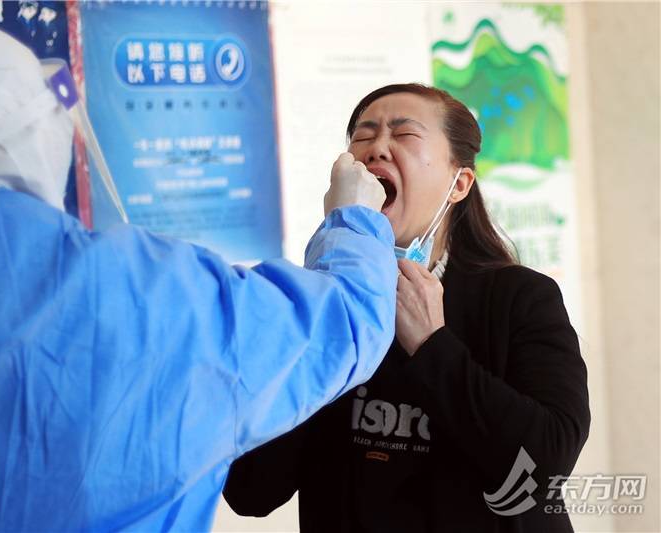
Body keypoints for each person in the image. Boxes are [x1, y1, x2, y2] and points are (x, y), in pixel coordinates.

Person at [0, 21, 398, 532]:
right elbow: (343, 324)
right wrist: (353, 221)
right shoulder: (152, 289)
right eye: (368, 131)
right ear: (38, 133)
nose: (377, 147)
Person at [223, 84, 591, 533]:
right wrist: (323, 313)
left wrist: (433, 347)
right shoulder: (316, 305)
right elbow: (250, 490)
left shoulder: (520, 297)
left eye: (404, 134)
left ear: (459, 183)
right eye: (363, 135)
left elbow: (544, 468)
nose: (377, 147)